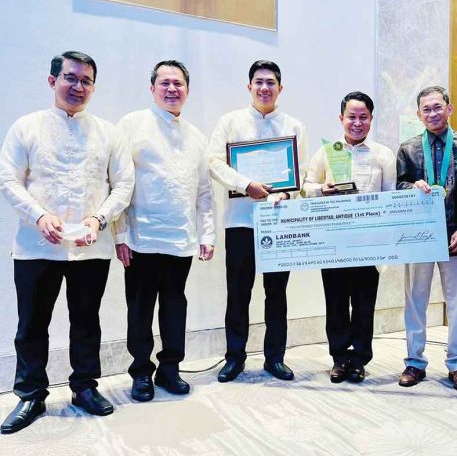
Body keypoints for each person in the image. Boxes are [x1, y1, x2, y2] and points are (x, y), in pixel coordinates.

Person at [0, 51, 134, 434]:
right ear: (52, 80)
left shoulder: (109, 132)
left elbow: (123, 184)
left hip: (91, 247)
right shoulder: (26, 127)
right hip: (36, 245)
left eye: (86, 80)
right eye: (70, 78)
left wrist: (99, 218)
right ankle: (30, 395)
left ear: (94, 86)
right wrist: (39, 215)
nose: (78, 86)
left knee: (87, 322)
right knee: (31, 324)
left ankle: (84, 387)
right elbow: (8, 178)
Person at [114, 60, 215, 402]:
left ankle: (169, 369)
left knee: (175, 307)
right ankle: (141, 372)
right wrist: (120, 234)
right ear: (152, 88)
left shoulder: (197, 137)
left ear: (187, 90)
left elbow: (203, 191)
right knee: (140, 308)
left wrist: (208, 234)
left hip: (181, 239)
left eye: (179, 84)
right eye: (165, 83)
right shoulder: (132, 125)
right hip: (141, 239)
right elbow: (118, 181)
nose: (172, 89)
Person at [208, 60, 307, 382]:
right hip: (240, 221)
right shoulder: (230, 122)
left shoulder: (294, 126)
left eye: (271, 82)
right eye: (259, 82)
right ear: (249, 86)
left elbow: (301, 172)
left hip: (278, 221)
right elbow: (213, 163)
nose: (265, 88)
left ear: (281, 88)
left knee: (276, 293)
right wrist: (244, 185)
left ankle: (274, 358)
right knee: (238, 293)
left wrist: (286, 194)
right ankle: (234, 357)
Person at [302, 91, 396, 383]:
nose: (357, 123)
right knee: (336, 302)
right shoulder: (328, 152)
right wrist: (322, 189)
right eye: (351, 117)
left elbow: (391, 196)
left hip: (369, 242)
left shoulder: (383, 154)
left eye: (363, 117)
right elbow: (305, 186)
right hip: (333, 241)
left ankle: (360, 359)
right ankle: (339, 358)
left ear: (371, 119)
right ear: (341, 119)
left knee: (365, 304)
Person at [396, 85, 457, 392]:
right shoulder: (407, 148)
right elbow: (398, 187)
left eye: (437, 107)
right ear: (419, 114)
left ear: (449, 108)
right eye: (425, 109)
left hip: (455, 235)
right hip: (419, 236)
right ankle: (414, 363)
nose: (432, 113)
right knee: (415, 300)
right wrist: (411, 188)